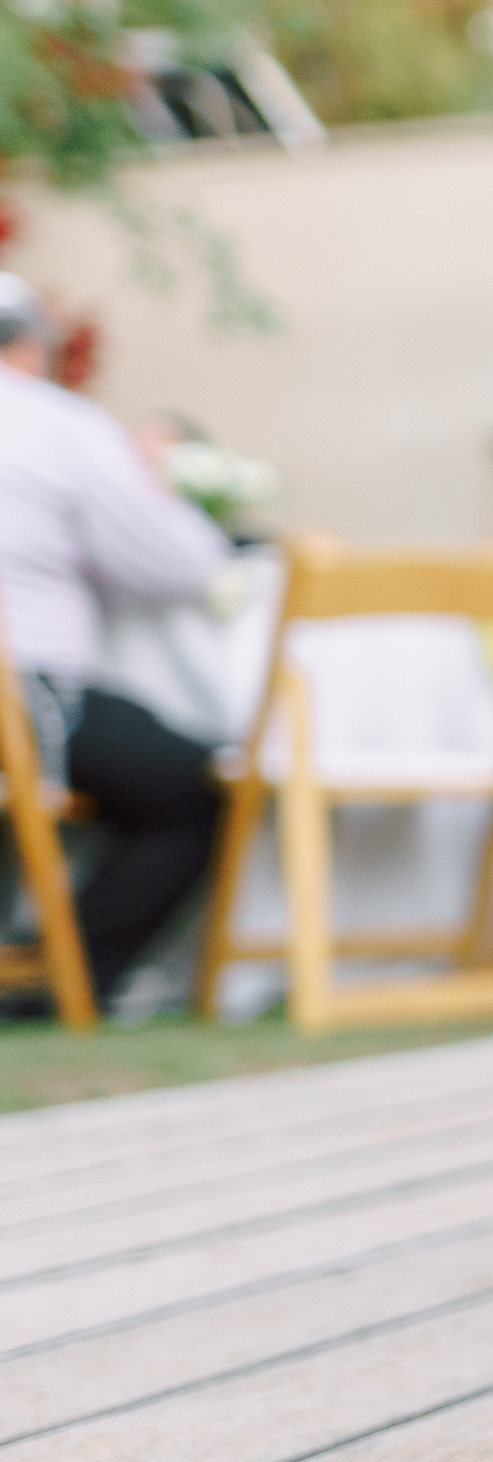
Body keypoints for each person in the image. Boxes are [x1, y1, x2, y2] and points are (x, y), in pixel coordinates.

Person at [0, 274, 229, 1015]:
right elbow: (178, 564)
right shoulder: (58, 423)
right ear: (31, 344)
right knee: (191, 789)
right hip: (25, 694)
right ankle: (59, 982)